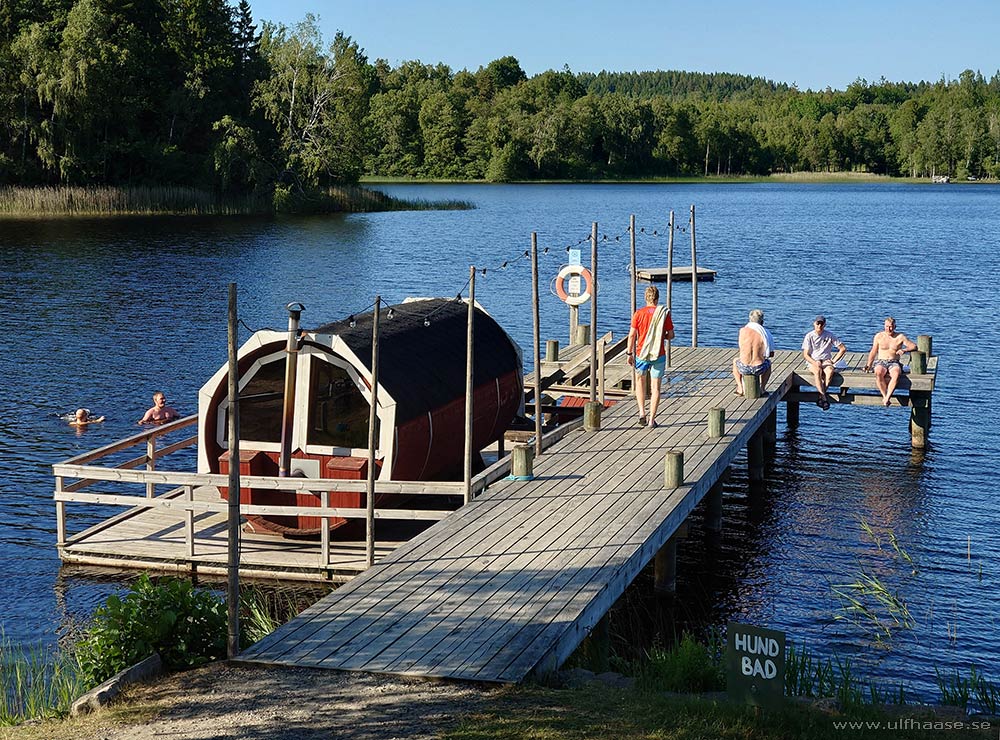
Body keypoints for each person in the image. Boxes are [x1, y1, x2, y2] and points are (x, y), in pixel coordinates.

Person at [626, 285, 675, 429]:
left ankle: (642, 413)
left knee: (640, 383)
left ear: (645, 298)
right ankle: (652, 420)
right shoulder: (663, 313)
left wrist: (629, 353)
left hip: (642, 353)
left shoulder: (638, 314)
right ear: (657, 298)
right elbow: (671, 335)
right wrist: (661, 336)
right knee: (656, 388)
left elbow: (632, 335)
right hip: (658, 354)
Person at [863, 316, 918, 406]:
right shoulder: (879, 336)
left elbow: (914, 346)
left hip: (894, 362)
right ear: (884, 326)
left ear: (895, 327)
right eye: (887, 326)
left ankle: (888, 397)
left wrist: (904, 350)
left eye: (891, 327)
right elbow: (873, 351)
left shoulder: (900, 337)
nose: (889, 329)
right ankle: (885, 396)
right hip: (881, 361)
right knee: (878, 373)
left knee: (896, 374)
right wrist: (868, 364)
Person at [801, 315, 846, 411]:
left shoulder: (829, 335)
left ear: (825, 325)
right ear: (814, 324)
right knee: (818, 371)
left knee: (830, 371)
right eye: (818, 323)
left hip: (826, 360)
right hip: (813, 360)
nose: (819, 326)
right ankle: (824, 398)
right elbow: (805, 355)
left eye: (821, 324)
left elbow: (842, 348)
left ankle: (820, 397)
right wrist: (814, 362)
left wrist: (833, 361)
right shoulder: (809, 336)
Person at [733, 308, 775, 395]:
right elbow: (771, 354)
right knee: (768, 363)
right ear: (762, 321)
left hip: (743, 367)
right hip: (759, 368)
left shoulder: (742, 331)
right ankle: (762, 388)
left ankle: (740, 388)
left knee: (735, 361)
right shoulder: (766, 333)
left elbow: (741, 348)